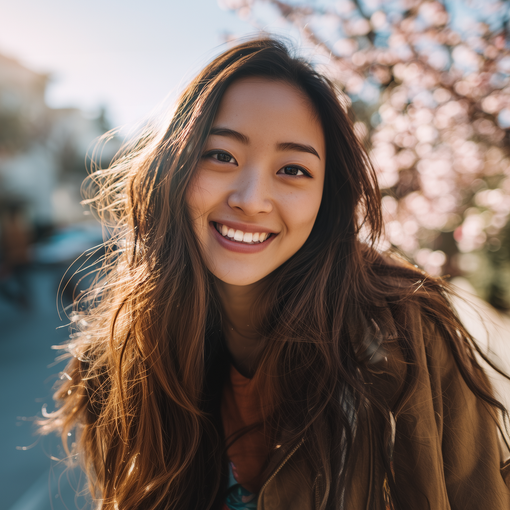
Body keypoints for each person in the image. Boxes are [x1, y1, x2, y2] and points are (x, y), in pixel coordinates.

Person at [40, 37, 510, 510]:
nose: (251, 198)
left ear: (327, 197)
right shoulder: (121, 358)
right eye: (221, 156)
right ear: (174, 168)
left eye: (293, 169)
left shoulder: (405, 335)